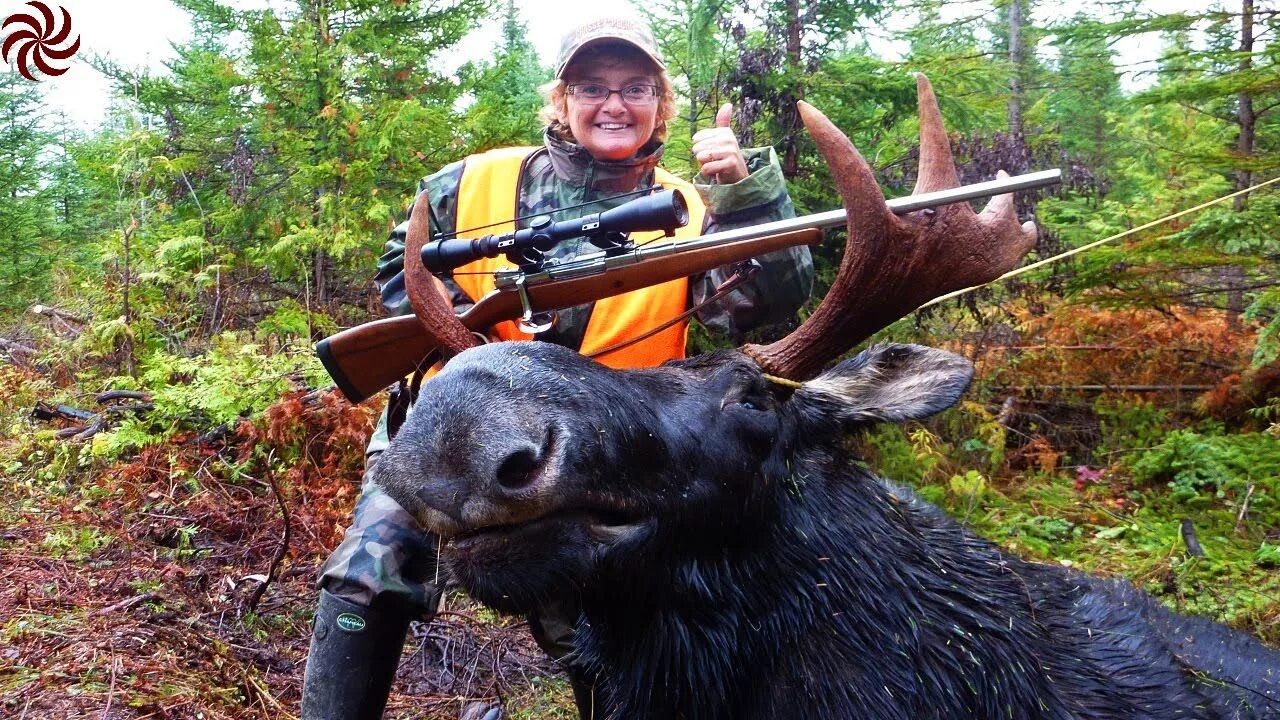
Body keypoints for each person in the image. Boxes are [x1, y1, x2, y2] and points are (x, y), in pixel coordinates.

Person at [300, 15, 813, 720]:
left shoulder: (692, 210)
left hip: (611, 455)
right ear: (561, 100)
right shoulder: (472, 181)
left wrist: (748, 191)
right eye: (592, 87)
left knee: (613, 632)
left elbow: (764, 300)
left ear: (660, 103)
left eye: (634, 87)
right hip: (459, 427)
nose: (613, 104)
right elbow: (404, 270)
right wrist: (473, 342)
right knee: (368, 574)